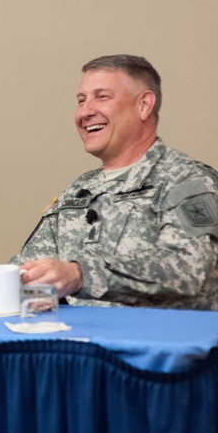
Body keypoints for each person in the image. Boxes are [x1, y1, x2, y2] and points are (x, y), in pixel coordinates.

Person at [12, 55, 218, 309]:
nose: (86, 111)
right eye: (81, 100)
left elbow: (189, 272)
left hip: (155, 346)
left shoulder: (186, 180)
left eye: (102, 97)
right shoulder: (80, 190)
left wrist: (81, 275)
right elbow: (28, 271)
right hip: (78, 345)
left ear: (144, 105)